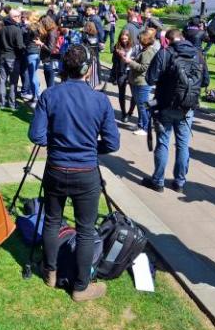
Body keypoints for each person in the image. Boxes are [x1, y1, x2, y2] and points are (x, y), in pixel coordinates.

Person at [28, 45, 120, 302]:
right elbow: (112, 143)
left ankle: (51, 273)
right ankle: (80, 287)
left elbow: (36, 135)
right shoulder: (100, 100)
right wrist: (90, 148)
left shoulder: (50, 95)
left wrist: (59, 143)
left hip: (56, 168)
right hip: (85, 171)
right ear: (88, 69)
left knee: (52, 220)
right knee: (85, 229)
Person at [142, 28, 210, 193]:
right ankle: (179, 182)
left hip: (165, 104)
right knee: (183, 145)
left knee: (163, 142)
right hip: (187, 106)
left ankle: (158, 181)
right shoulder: (198, 54)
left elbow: (150, 78)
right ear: (183, 38)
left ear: (168, 40)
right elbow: (205, 81)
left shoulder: (164, 53)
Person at [127, 29, 158, 136]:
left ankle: (145, 127)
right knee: (140, 105)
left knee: (143, 106)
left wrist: (130, 62)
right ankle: (140, 124)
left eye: (140, 39)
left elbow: (144, 67)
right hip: (137, 81)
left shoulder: (148, 52)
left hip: (142, 82)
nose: (138, 40)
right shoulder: (145, 50)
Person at [0, 9, 25, 110]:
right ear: (12, 17)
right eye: (17, 16)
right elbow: (20, 46)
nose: (20, 18)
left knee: (2, 80)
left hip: (3, 57)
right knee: (13, 82)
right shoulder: (17, 30)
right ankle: (12, 104)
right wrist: (22, 54)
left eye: (20, 16)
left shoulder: (1, 30)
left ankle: (2, 102)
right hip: (13, 58)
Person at [111, 30, 134, 124]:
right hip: (121, 72)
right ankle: (123, 113)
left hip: (132, 72)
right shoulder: (117, 46)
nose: (124, 40)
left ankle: (130, 111)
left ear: (129, 38)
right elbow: (113, 61)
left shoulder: (134, 47)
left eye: (125, 38)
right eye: (122, 38)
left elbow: (137, 58)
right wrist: (117, 54)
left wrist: (131, 59)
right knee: (121, 94)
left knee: (134, 94)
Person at [23, 12, 43, 102]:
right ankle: (35, 94)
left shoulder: (30, 28)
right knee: (34, 74)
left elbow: (26, 40)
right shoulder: (40, 28)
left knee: (32, 75)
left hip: (31, 52)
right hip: (37, 52)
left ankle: (36, 96)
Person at [81, 21, 103, 90]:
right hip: (95, 54)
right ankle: (97, 81)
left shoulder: (85, 35)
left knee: (87, 69)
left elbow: (83, 43)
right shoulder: (96, 35)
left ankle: (86, 82)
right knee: (96, 68)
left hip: (88, 55)